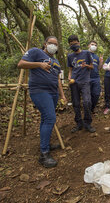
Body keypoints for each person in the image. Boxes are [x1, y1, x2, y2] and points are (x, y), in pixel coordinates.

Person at [17, 36, 67, 168]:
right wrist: (39, 64)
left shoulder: (56, 61)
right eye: (51, 43)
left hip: (53, 93)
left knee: (46, 119)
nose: (53, 46)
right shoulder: (35, 52)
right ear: (45, 44)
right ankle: (43, 154)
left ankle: (45, 144)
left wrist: (62, 95)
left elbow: (57, 80)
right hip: (39, 91)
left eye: (56, 44)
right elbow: (21, 64)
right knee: (50, 118)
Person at [67, 35, 95, 133]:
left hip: (85, 81)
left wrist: (86, 65)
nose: (74, 45)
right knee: (76, 103)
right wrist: (69, 77)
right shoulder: (70, 56)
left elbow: (92, 67)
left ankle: (87, 123)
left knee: (87, 101)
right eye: (71, 44)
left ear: (78, 43)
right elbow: (70, 69)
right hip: (74, 82)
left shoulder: (87, 53)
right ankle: (79, 123)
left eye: (75, 43)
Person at [88, 40, 103, 113]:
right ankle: (88, 109)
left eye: (95, 45)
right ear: (89, 45)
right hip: (87, 77)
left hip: (96, 77)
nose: (94, 46)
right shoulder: (85, 54)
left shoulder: (96, 57)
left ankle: (92, 107)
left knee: (96, 94)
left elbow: (99, 68)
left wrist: (101, 62)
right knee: (88, 95)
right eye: (92, 44)